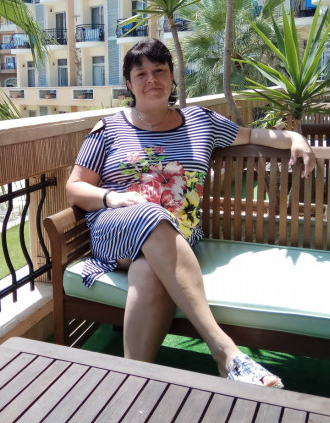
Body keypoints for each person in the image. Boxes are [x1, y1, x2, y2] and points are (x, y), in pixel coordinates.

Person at [66, 39, 316, 388]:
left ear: (172, 76)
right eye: (141, 74)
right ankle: (225, 352)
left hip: (178, 236)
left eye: (159, 71)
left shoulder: (200, 121)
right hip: (116, 228)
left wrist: (293, 137)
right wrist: (111, 197)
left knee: (149, 272)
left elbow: (250, 134)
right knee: (150, 215)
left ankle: (134, 384)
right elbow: (75, 187)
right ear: (129, 84)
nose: (152, 79)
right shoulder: (108, 129)